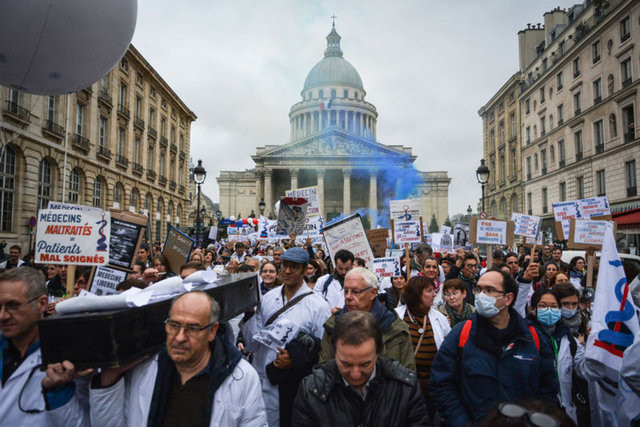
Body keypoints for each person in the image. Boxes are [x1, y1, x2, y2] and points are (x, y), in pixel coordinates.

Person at [43, 291, 267, 426]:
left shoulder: (242, 378)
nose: (179, 337)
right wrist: (110, 378)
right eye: (174, 325)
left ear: (212, 331)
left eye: (192, 328)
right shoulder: (143, 366)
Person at [429, 269, 558, 426]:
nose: (481, 295)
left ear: (508, 298)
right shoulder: (461, 334)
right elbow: (441, 384)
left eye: (489, 290)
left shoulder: (532, 338)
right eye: (478, 289)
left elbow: (548, 390)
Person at [240, 247, 331, 426]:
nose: (287, 271)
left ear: (305, 270)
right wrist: (249, 314)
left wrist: (295, 360)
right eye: (285, 266)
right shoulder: (268, 298)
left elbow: (324, 353)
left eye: (294, 267)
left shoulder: (318, 306)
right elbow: (252, 343)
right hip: (262, 379)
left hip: (293, 385)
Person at [291, 311, 430, 427]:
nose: (356, 374)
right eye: (346, 364)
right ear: (335, 352)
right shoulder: (311, 390)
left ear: (378, 352)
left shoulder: (405, 387)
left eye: (365, 364)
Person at [0, 267, 87, 425]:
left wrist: (58, 392)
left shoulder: (68, 358)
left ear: (42, 304)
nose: (3, 316)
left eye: (13, 306)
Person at [319, 267, 416, 371]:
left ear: (373, 293)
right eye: (346, 291)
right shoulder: (333, 326)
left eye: (355, 291)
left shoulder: (396, 328)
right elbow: (324, 374)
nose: (348, 297)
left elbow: (407, 375)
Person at [528, 288, 586, 424]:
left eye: (553, 306)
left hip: (565, 409)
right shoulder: (526, 336)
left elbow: (585, 370)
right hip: (535, 410)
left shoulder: (570, 340)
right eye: (543, 306)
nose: (549, 310)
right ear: (533, 309)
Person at [395, 276, 450, 405]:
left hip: (432, 388)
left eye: (434, 290)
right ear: (417, 294)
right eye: (429, 291)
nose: (434, 294)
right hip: (405, 387)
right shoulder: (396, 316)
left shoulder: (440, 318)